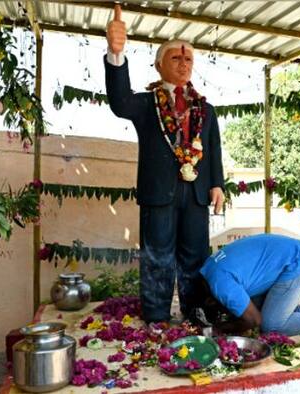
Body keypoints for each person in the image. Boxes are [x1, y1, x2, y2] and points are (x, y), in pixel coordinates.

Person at [105, 5, 225, 323]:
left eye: (188, 59)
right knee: (157, 255)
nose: (183, 63)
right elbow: (118, 103)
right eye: (175, 58)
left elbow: (213, 148)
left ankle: (195, 310)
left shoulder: (206, 109)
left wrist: (218, 185)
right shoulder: (146, 104)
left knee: (196, 256)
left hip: (198, 194)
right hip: (158, 192)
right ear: (159, 65)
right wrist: (116, 55)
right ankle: (156, 315)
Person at [199, 234, 300, 336]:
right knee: (258, 309)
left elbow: (255, 320)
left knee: (271, 326)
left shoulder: (221, 286)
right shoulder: (208, 269)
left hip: (297, 262)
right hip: (291, 253)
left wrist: (217, 329)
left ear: (210, 301)